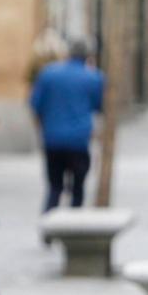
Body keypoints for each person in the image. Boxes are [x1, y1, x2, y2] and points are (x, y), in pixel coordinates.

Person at [29, 37, 105, 212]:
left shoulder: (48, 74)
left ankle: (48, 227)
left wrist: (43, 127)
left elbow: (35, 104)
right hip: (79, 141)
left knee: (55, 187)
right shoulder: (94, 77)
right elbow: (98, 106)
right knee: (78, 190)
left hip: (53, 140)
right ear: (88, 56)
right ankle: (73, 223)